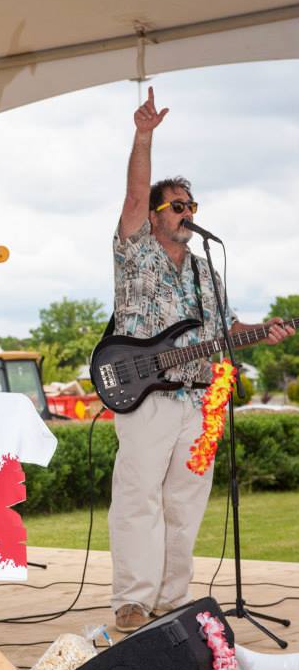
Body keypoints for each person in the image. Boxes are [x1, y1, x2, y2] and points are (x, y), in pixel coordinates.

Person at [108, 86, 294, 634]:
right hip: (147, 395)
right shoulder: (136, 252)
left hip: (199, 400)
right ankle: (133, 600)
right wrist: (144, 136)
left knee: (186, 502)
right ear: (158, 214)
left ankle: (171, 598)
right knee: (138, 498)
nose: (188, 214)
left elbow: (224, 330)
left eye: (192, 206)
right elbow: (135, 195)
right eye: (179, 206)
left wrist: (262, 333)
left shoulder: (205, 271)